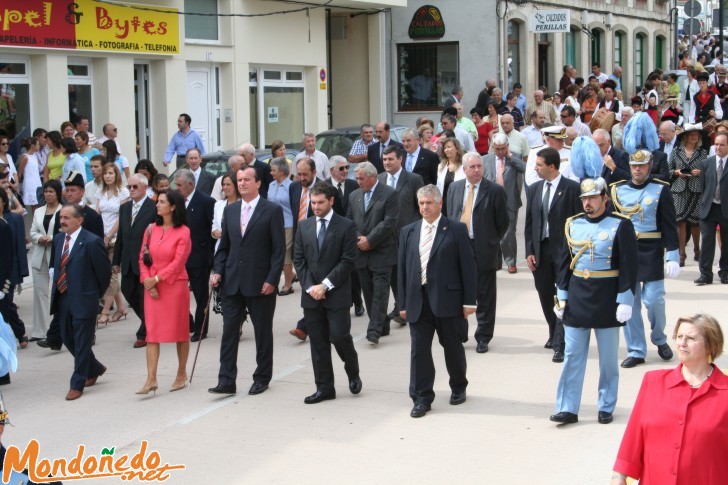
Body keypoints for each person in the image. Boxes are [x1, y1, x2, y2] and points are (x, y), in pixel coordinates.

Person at [550, 177, 638, 425]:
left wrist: (626, 300)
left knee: (608, 359)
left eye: (592, 198)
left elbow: (630, 266)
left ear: (604, 199)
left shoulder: (621, 225)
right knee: (572, 356)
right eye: (584, 199)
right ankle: (567, 407)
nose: (587, 203)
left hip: (608, 296)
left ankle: (606, 404)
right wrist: (562, 297)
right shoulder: (573, 224)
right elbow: (565, 264)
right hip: (579, 295)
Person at [611, 314, 728, 484]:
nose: (682, 343)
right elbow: (634, 434)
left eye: (691, 338)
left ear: (710, 345)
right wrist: (619, 476)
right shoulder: (653, 382)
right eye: (679, 336)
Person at [398, 185, 477, 418]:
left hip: (448, 300)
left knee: (452, 346)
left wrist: (469, 301)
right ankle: (421, 397)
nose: (424, 207)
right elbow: (402, 270)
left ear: (439, 204)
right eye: (421, 203)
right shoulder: (408, 232)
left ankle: (458, 386)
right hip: (417, 300)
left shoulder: (455, 230)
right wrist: (401, 303)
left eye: (429, 203)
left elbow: (468, 268)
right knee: (419, 350)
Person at [209, 167, 285, 396]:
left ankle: (262, 377)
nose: (241, 184)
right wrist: (217, 271)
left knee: (262, 333)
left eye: (246, 180)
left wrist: (272, 279)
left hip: (260, 282)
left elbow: (278, 250)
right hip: (232, 282)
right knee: (229, 332)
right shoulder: (230, 211)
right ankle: (226, 380)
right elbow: (224, 248)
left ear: (258, 183)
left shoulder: (271, 210)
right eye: (239, 180)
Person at [611, 150, 680, 368]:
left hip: (651, 249)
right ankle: (637, 350)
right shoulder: (617, 190)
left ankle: (659, 338)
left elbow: (669, 224)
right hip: (626, 252)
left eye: (641, 165)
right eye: (633, 165)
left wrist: (673, 254)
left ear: (650, 166)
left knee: (655, 300)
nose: (637, 169)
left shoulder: (661, 189)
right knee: (629, 303)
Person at [293, 183, 361, 404]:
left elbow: (348, 261)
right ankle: (324, 388)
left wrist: (326, 285)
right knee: (318, 343)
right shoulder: (304, 226)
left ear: (331, 201)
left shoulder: (346, 226)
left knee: (339, 336)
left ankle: (352, 370)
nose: (316, 207)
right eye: (313, 203)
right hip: (311, 296)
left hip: (336, 293)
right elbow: (299, 260)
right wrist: (312, 287)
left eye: (320, 202)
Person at [447, 152, 508, 353]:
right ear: (464, 169)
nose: (476, 170)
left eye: (479, 166)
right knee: (457, 291)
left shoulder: (494, 190)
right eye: (472, 167)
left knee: (485, 295)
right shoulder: (455, 188)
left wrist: (491, 241)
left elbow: (503, 222)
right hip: (458, 247)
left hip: (483, 247)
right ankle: (460, 332)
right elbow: (450, 215)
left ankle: (483, 336)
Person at [525, 148, 582, 362]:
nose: (535, 168)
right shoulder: (534, 189)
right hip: (541, 251)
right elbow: (530, 222)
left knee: (562, 295)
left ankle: (561, 342)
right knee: (545, 293)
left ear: (552, 166)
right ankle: (553, 331)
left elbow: (578, 222)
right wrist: (529, 250)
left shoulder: (572, 189)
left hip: (564, 252)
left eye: (539, 164)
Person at [37, 171, 104, 351]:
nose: (69, 193)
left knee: (82, 314)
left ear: (82, 192)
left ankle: (86, 335)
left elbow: (98, 247)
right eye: (67, 190)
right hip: (64, 271)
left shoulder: (91, 216)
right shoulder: (62, 213)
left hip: (83, 273)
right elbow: (58, 241)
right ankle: (56, 337)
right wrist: (53, 266)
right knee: (62, 307)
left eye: (73, 190)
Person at [50, 204, 112, 400]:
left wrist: (93, 295)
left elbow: (104, 273)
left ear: (79, 220)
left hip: (84, 299)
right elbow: (57, 265)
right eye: (61, 217)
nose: (63, 221)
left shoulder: (92, 242)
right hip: (63, 297)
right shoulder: (59, 239)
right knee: (68, 338)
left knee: (83, 342)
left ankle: (77, 382)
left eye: (67, 218)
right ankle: (94, 368)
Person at [136, 190, 192, 395]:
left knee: (180, 331)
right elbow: (143, 257)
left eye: (161, 202)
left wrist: (157, 279)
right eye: (157, 202)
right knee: (152, 333)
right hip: (152, 286)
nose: (157, 205)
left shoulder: (183, 231)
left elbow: (178, 262)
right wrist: (147, 282)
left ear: (173, 206)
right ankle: (151, 379)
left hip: (174, 286)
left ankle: (181, 373)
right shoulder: (151, 229)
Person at [347, 162, 399, 344]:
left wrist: (370, 240)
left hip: (382, 252)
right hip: (361, 252)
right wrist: (358, 238)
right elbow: (349, 221)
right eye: (357, 178)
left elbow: (389, 222)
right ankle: (382, 323)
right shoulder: (354, 196)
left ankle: (374, 330)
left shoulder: (389, 194)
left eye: (361, 178)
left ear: (372, 177)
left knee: (380, 292)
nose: (358, 181)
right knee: (368, 292)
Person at [379, 145, 424, 326]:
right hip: (385, 237)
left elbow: (421, 208)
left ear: (400, 159)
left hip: (408, 235)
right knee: (392, 274)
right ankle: (400, 306)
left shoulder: (413, 179)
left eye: (390, 159)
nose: (387, 163)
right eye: (384, 160)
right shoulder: (380, 179)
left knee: (407, 273)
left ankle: (405, 306)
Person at [112, 173, 158, 349]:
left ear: (145, 187)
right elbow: (122, 236)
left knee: (143, 296)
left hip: (146, 261)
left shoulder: (153, 207)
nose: (131, 190)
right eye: (129, 187)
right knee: (128, 291)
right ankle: (151, 322)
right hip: (128, 259)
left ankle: (144, 332)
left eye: (135, 187)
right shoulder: (124, 208)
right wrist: (116, 260)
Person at [173, 169, 214, 342]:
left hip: (199, 256)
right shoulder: (175, 202)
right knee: (177, 295)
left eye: (179, 185)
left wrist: (211, 258)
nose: (177, 188)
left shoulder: (206, 202)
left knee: (200, 295)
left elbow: (212, 229)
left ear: (190, 184)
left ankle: (201, 328)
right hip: (179, 258)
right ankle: (188, 322)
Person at [326, 156, 364, 318]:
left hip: (350, 233)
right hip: (331, 234)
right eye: (341, 168)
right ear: (332, 170)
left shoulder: (353, 185)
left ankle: (358, 302)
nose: (345, 171)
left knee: (353, 271)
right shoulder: (325, 186)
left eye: (347, 167)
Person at [483, 134, 525, 274]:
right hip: (491, 201)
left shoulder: (514, 157)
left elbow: (524, 168)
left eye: (503, 148)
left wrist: (510, 157)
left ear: (507, 146)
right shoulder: (486, 159)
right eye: (497, 149)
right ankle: (496, 261)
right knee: (493, 232)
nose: (500, 152)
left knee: (508, 233)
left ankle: (511, 261)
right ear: (493, 147)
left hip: (510, 200)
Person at [669, 123, 708, 266]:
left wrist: (701, 172)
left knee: (695, 222)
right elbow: (669, 170)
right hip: (679, 190)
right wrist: (677, 172)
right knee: (680, 222)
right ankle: (681, 253)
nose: (694, 137)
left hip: (696, 190)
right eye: (691, 135)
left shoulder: (702, 152)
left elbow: (708, 170)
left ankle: (697, 250)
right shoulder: (676, 151)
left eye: (696, 135)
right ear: (685, 137)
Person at [95, 163, 130, 325]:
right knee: (106, 274)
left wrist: (109, 235)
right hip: (101, 237)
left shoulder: (123, 192)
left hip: (116, 237)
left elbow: (122, 217)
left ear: (116, 175)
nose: (107, 176)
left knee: (112, 275)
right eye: (105, 174)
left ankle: (104, 311)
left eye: (110, 173)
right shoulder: (100, 191)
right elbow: (97, 213)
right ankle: (121, 307)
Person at [28, 180, 62, 341]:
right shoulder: (38, 211)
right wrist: (40, 238)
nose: (48, 194)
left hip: (56, 255)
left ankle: (57, 328)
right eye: (46, 192)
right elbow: (32, 231)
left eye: (51, 192)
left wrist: (53, 238)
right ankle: (39, 331)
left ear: (57, 193)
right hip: (40, 254)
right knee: (39, 293)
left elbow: (65, 231)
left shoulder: (64, 210)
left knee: (58, 293)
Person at [695, 131, 728, 285]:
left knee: (726, 243)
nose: (718, 147)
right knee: (707, 241)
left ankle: (725, 272)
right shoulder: (706, 163)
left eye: (722, 144)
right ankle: (705, 274)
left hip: (726, 209)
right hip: (709, 208)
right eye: (716, 144)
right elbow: (703, 187)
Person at [266, 159, 294, 294]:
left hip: (288, 224)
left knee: (285, 255)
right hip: (273, 225)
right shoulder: (271, 185)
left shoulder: (292, 186)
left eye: (273, 170)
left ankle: (288, 285)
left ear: (282, 171)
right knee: (275, 253)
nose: (271, 173)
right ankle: (291, 276)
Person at [212, 172, 242, 253]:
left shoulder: (244, 205)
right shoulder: (218, 204)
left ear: (236, 185)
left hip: (238, 249)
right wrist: (215, 232)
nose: (225, 187)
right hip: (220, 249)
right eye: (223, 184)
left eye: (228, 184)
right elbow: (214, 224)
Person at [436, 137, 466, 215]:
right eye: (445, 148)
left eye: (449, 147)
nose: (446, 150)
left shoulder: (464, 165)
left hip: (460, 202)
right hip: (444, 203)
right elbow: (438, 186)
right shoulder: (441, 166)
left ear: (457, 149)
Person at [16, 136, 42, 212]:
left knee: (39, 205)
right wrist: (17, 185)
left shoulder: (35, 156)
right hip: (30, 184)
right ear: (32, 146)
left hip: (37, 182)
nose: (39, 146)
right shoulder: (25, 157)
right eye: (38, 144)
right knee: (34, 206)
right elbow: (20, 172)